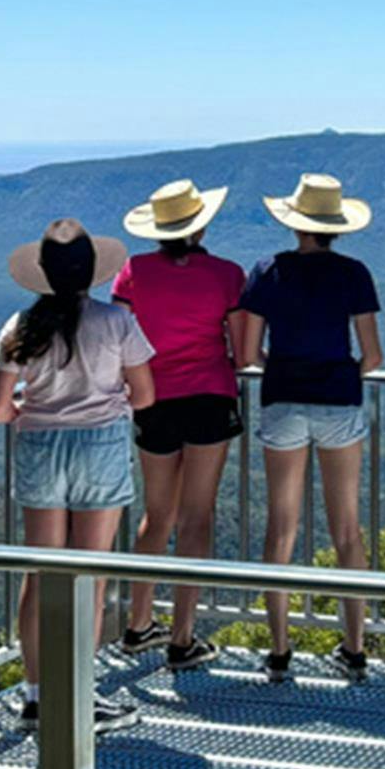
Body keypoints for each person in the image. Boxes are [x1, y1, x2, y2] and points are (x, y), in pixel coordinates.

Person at [0, 217, 153, 733]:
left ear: (43, 274)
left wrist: (27, 412)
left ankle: (36, 695)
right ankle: (80, 696)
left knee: (41, 575)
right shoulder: (116, 322)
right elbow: (145, 394)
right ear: (91, 273)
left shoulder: (20, 327)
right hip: (99, 445)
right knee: (91, 576)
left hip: (39, 445)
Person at [232, 173, 383, 683]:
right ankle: (354, 649)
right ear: (336, 226)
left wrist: (285, 366)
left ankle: (279, 652)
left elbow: (248, 354)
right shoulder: (354, 273)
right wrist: (339, 373)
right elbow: (374, 356)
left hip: (282, 403)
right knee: (347, 530)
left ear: (294, 223)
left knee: (281, 529)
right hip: (339, 401)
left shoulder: (266, 272)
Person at [112, 179, 245, 670]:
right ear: (201, 224)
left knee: (157, 516)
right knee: (197, 518)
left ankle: (138, 623)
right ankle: (182, 638)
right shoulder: (227, 275)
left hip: (152, 399)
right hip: (210, 396)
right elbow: (241, 346)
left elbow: (121, 339)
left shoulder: (132, 273)